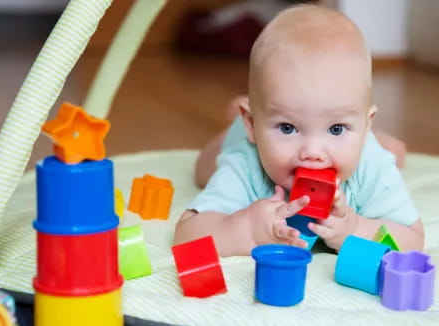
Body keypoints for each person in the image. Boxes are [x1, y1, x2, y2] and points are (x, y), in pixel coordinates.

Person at [174, 3, 424, 257]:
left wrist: (356, 229)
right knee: (203, 169)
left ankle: (370, 136)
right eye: (287, 127)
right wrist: (247, 228)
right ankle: (234, 124)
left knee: (393, 153)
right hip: (241, 137)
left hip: (360, 139)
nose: (313, 152)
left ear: (366, 124)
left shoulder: (370, 165)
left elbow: (412, 237)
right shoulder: (246, 164)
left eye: (337, 128)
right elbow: (187, 233)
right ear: (252, 124)